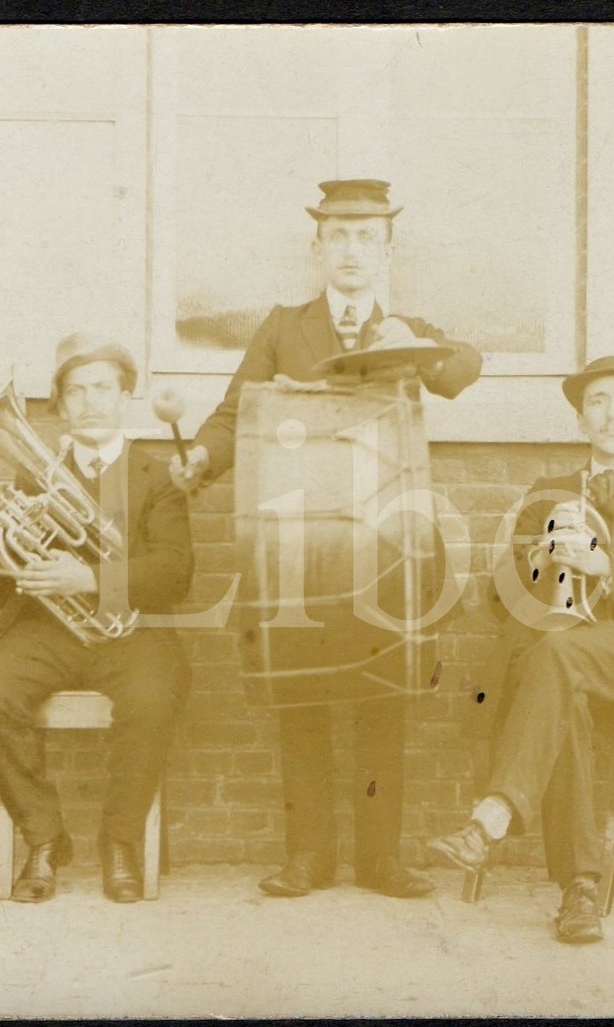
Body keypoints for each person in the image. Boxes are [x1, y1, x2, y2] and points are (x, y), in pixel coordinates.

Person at [170, 179, 482, 899]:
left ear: (386, 248)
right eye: (337, 235)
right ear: (317, 247)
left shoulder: (402, 325)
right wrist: (202, 460)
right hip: (298, 541)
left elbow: (465, 369)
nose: (350, 249)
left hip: (387, 540)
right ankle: (307, 855)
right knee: (300, 691)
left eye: (365, 235)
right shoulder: (283, 328)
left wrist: (418, 351)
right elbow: (230, 415)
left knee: (384, 695)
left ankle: (380, 858)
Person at [427, 357, 614, 943]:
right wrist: (541, 560)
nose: (611, 413)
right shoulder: (545, 494)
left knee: (557, 660)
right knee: (561, 678)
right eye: (598, 401)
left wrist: (607, 565)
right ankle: (579, 892)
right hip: (558, 661)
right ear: (582, 421)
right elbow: (506, 598)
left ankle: (495, 812)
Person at [0, 336, 193, 905]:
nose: (90, 402)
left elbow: (175, 574)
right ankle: (44, 840)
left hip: (131, 632)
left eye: (102, 388)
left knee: (157, 697)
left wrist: (89, 579)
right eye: (76, 391)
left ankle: (120, 842)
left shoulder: (158, 475)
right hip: (44, 631)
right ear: (61, 406)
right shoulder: (31, 476)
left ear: (124, 399)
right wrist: (22, 558)